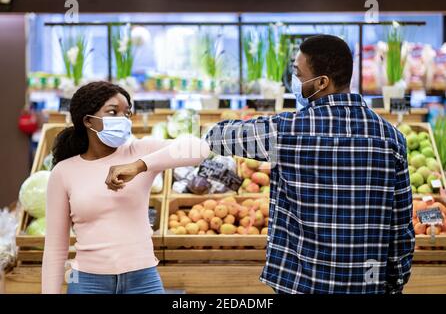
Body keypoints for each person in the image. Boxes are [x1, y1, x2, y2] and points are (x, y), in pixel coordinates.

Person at [205, 34, 415, 294]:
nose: (294, 81)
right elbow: (401, 229)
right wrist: (394, 285)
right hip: (367, 286)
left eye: (298, 73)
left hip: (303, 285)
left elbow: (216, 136)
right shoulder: (392, 138)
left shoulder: (286, 132)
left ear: (322, 82)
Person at [42, 81, 210, 294]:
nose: (122, 119)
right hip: (86, 282)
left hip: (144, 280)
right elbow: (55, 249)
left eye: (127, 113)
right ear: (88, 121)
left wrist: (139, 166)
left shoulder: (140, 151)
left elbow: (201, 148)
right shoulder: (63, 172)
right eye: (113, 112)